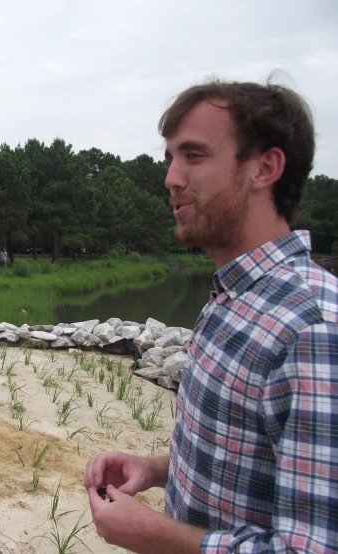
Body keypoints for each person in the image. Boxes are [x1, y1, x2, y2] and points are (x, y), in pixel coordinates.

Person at [85, 79, 337, 553]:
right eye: (170, 159)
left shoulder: (314, 330)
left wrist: (156, 536)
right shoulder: (231, 298)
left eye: (193, 156)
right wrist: (156, 469)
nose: (171, 178)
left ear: (265, 167)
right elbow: (244, 458)